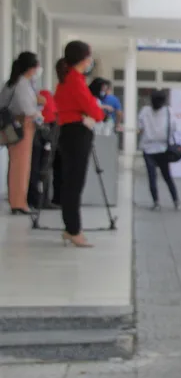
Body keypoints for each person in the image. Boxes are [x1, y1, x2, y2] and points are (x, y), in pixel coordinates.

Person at [54, 41, 108, 247]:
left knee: (71, 182)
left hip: (69, 132)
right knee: (74, 184)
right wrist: (96, 114)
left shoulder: (66, 79)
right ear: (83, 58)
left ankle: (72, 227)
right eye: (89, 56)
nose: (90, 60)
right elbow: (95, 111)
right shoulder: (76, 81)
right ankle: (73, 229)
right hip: (77, 134)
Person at [1, 52, 42, 214]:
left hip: (11, 125)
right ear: (31, 68)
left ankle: (16, 200)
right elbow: (27, 109)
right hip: (23, 125)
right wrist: (38, 113)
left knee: (15, 163)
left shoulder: (11, 83)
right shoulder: (23, 84)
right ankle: (19, 203)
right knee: (22, 165)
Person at [137, 89, 180, 211]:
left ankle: (156, 202)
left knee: (152, 176)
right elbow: (174, 128)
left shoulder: (145, 111)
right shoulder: (168, 111)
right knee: (167, 176)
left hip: (148, 148)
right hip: (163, 148)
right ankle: (176, 201)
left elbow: (140, 128)